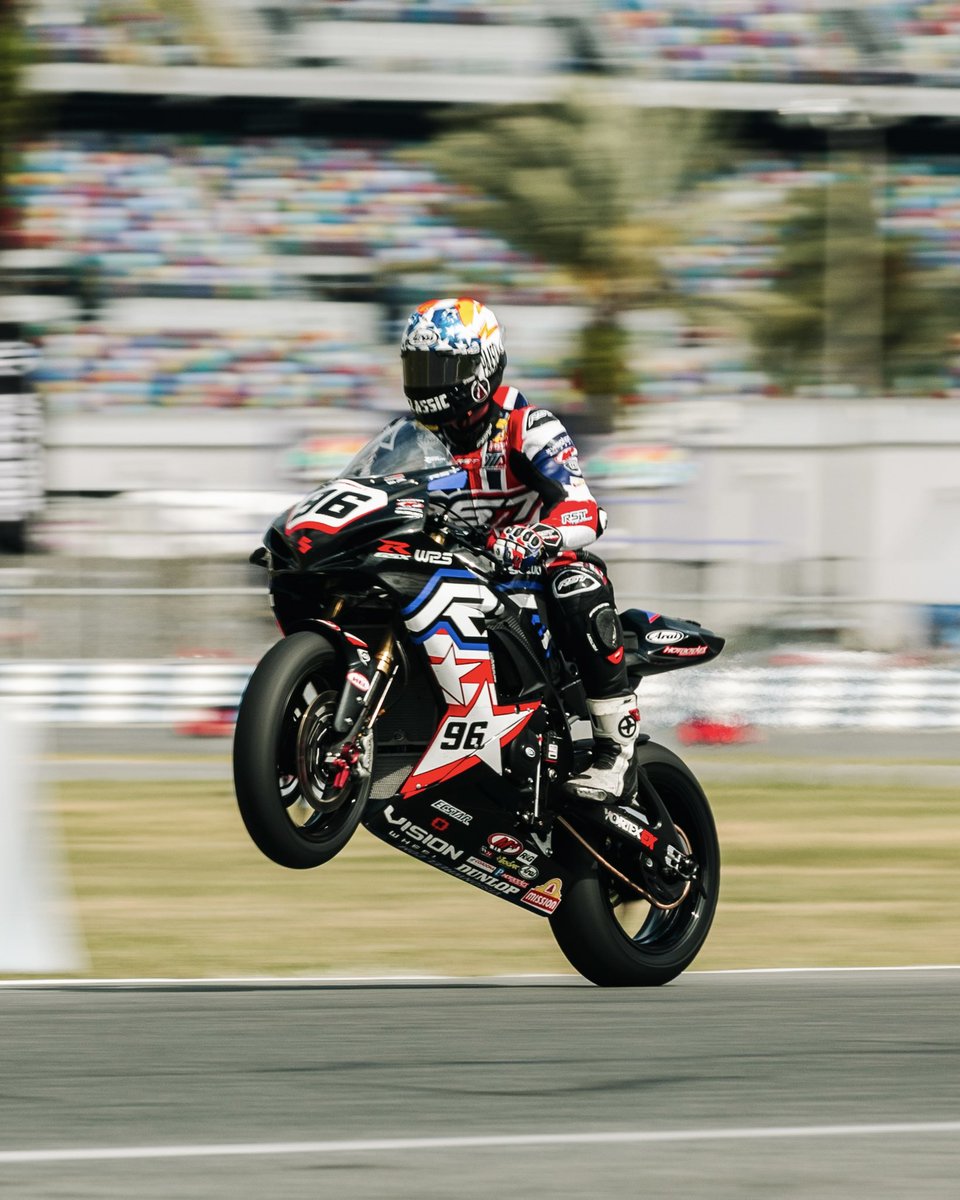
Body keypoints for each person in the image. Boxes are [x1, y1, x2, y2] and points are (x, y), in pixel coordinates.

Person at [400, 296, 640, 806]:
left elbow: (585, 509)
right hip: (452, 576)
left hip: (529, 577)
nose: (426, 380)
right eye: (418, 366)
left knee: (576, 580)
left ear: (481, 368)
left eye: (439, 366)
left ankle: (614, 750)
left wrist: (535, 537)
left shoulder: (527, 427)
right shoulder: (416, 441)